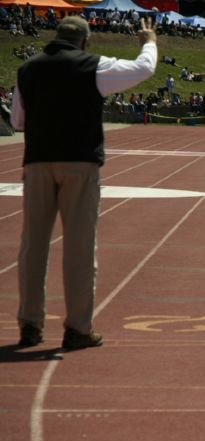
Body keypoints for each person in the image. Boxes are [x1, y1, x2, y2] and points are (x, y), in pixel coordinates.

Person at [11, 16, 157, 349]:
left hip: (38, 161)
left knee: (33, 246)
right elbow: (142, 69)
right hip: (79, 161)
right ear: (85, 41)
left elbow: (18, 120)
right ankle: (77, 327)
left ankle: (30, 324)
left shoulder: (28, 68)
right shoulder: (93, 66)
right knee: (79, 247)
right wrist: (149, 41)